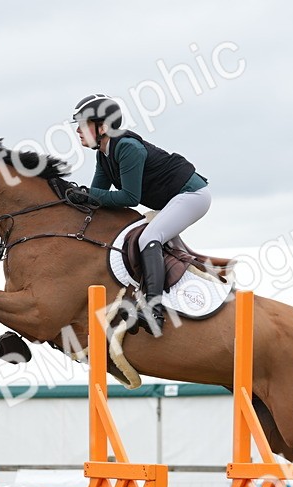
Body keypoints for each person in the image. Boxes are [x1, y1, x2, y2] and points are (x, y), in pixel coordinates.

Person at [70, 93, 211, 335]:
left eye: (84, 124)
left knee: (149, 238)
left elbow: (129, 198)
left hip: (192, 195)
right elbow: (97, 197)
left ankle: (154, 310)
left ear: (103, 127)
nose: (78, 131)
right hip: (173, 199)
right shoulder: (103, 154)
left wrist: (87, 194)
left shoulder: (127, 147)